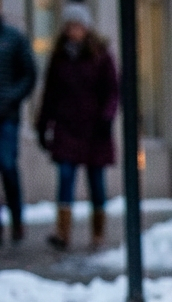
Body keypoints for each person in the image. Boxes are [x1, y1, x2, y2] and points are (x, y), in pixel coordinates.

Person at [35, 2, 117, 250]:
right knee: (66, 177)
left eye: (78, 25)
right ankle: (63, 233)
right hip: (67, 126)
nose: (74, 31)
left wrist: (106, 118)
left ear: (86, 27)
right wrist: (42, 125)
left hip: (94, 129)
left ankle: (98, 233)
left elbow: (113, 91)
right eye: (70, 26)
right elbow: (50, 93)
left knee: (96, 181)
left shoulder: (101, 55)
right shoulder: (60, 56)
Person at [0, 0, 36, 245]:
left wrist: (12, 98)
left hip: (7, 117)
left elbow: (30, 74)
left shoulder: (14, 38)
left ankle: (17, 219)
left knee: (8, 166)